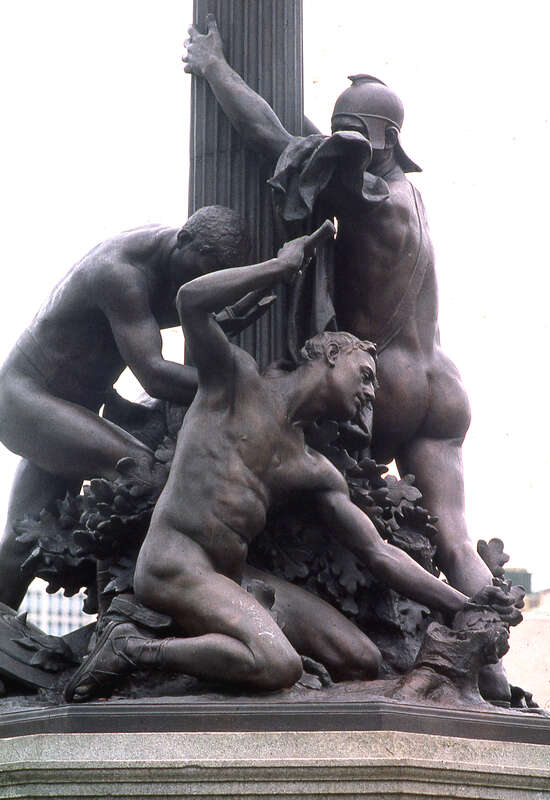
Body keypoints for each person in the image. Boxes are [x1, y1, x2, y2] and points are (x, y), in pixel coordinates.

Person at [181, 17, 509, 701]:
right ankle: (492, 664)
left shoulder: (361, 197)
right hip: (441, 383)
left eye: (350, 127)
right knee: (456, 540)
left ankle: (282, 616)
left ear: (383, 140)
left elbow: (276, 142)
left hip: (379, 376)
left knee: (316, 497)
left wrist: (214, 68)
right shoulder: (404, 195)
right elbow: (315, 150)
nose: (341, 138)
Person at [65, 229, 520, 703]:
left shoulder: (313, 467)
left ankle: (243, 644)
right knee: (276, 663)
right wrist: (279, 269)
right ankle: (133, 649)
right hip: (174, 563)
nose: (369, 394)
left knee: (362, 659)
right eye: (365, 376)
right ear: (328, 354)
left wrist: (463, 602)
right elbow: (190, 300)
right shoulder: (236, 379)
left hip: (234, 575)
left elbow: (379, 553)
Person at [0, 205, 252, 609]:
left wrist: (218, 323)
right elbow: (153, 375)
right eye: (198, 272)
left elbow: (169, 314)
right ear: (184, 239)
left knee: (23, 539)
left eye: (210, 277)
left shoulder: (164, 257)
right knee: (138, 471)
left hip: (63, 405)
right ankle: (117, 617)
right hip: (27, 400)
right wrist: (241, 384)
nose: (198, 284)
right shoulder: (121, 274)